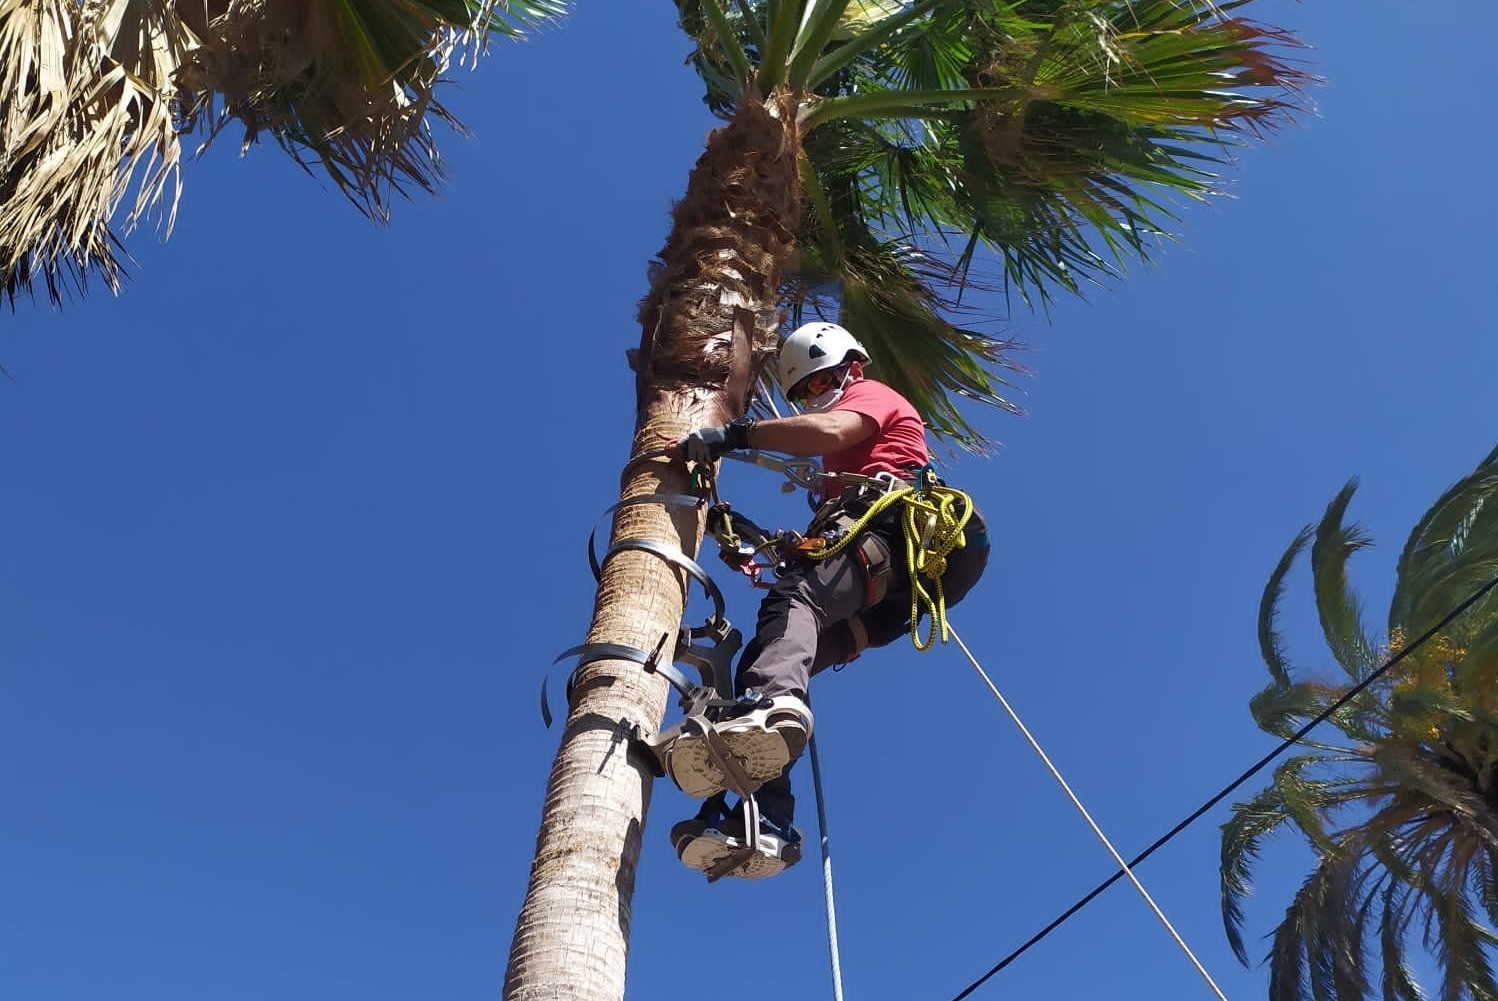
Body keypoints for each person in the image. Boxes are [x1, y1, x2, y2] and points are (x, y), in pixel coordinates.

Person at [664, 321, 990, 880]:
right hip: (890, 599)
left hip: (898, 537)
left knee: (795, 601)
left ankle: (772, 706)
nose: (814, 397)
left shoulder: (872, 396)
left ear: (848, 367)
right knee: (767, 656)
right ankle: (766, 819)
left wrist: (735, 436)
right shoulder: (842, 471)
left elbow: (833, 429)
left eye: (818, 384)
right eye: (804, 393)